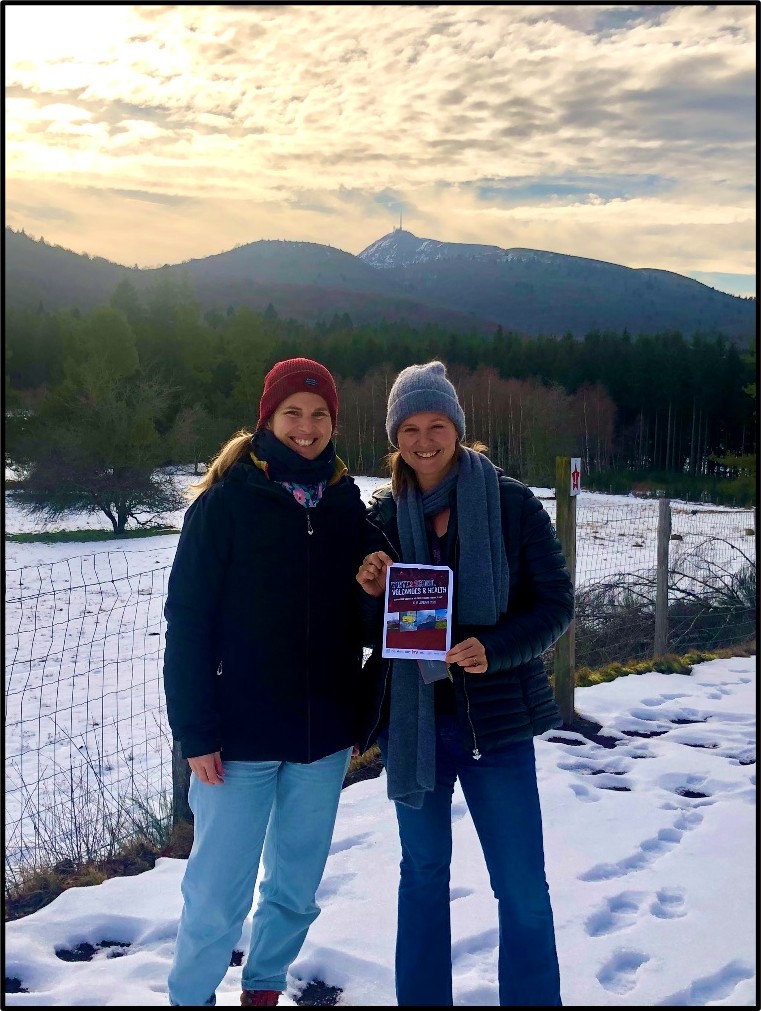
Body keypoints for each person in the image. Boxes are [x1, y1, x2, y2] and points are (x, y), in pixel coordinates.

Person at [356, 361, 574, 1007]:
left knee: (521, 887)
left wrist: (494, 648)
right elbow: (370, 632)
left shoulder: (510, 504)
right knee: (422, 877)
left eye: (437, 425)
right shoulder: (381, 515)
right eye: (410, 428)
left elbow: (555, 604)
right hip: (414, 724)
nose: (424, 441)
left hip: (496, 727)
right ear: (394, 437)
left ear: (457, 427)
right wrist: (368, 591)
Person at [163, 358, 369, 1007]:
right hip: (237, 739)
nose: (306, 427)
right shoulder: (224, 505)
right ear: (268, 419)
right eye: (292, 413)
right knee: (215, 893)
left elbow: (366, 622)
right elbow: (188, 623)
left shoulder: (345, 504)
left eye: (319, 414)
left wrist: (374, 586)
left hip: (321, 736)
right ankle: (191, 997)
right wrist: (195, 731)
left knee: (295, 887)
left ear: (333, 422)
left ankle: (264, 989)